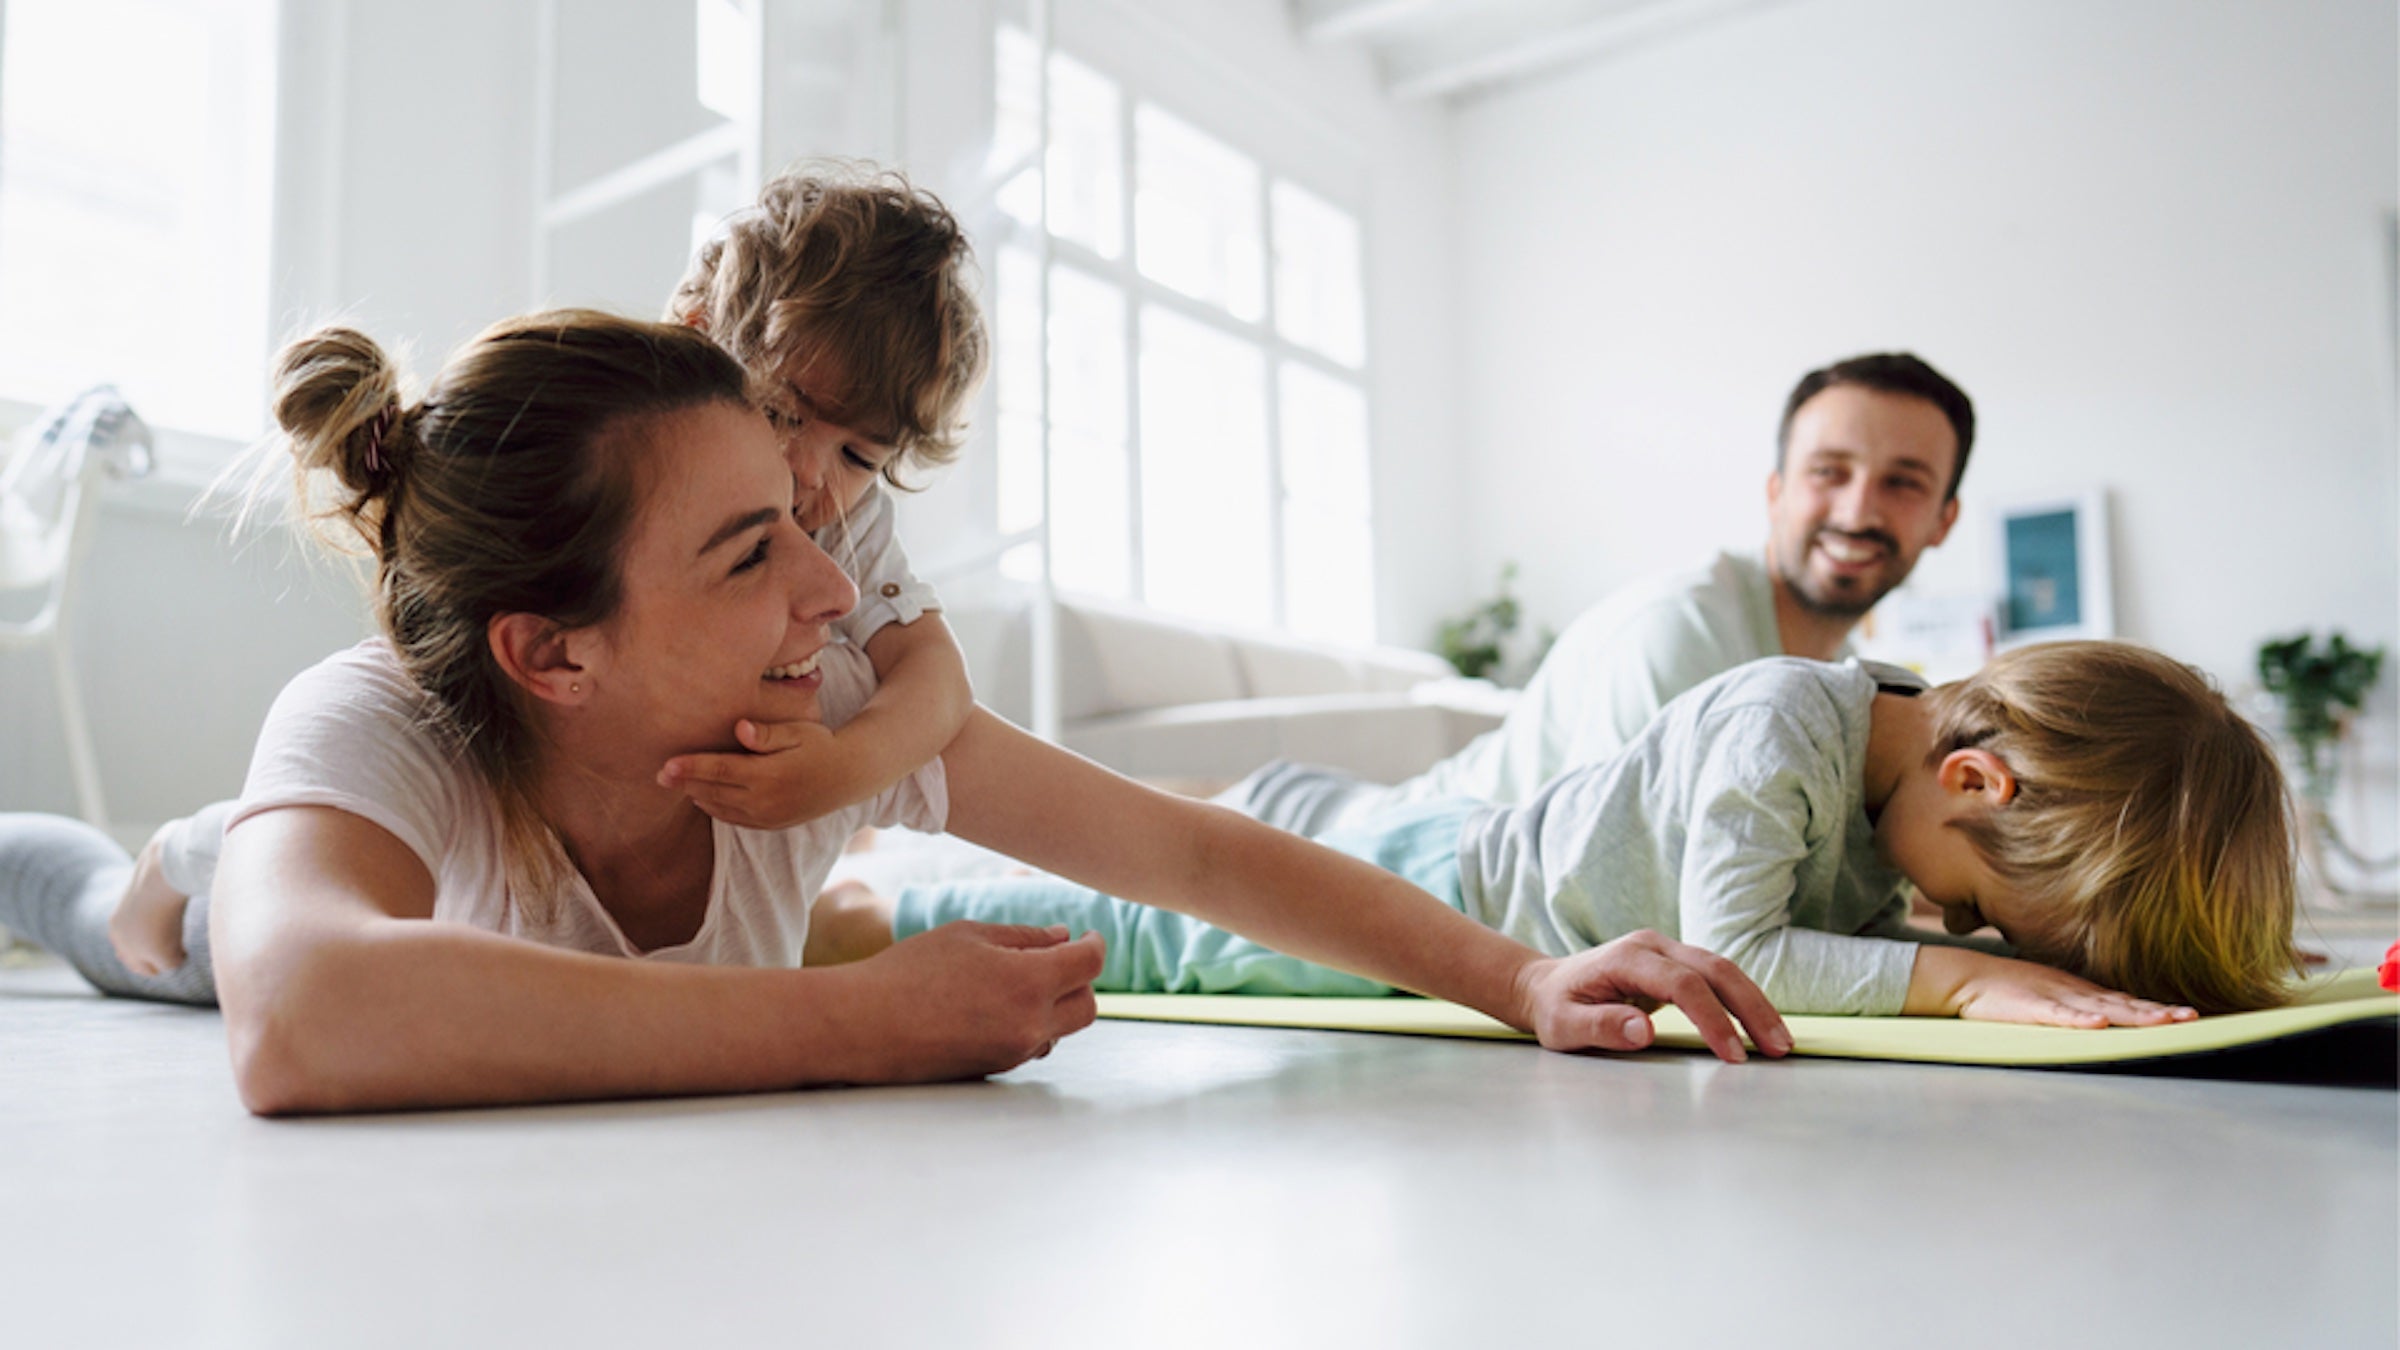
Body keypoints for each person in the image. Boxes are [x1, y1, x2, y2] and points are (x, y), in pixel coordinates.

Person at [0, 310, 1789, 1116]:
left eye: (806, 525)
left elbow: (1179, 843)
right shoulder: (378, 724)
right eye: (745, 557)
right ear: (552, 653)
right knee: (85, 902)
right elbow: (304, 1014)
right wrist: (851, 1023)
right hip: (205, 901)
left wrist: (1519, 975)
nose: (836, 594)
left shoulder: (826, 706)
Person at [89, 163, 988, 999]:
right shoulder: (623, 434)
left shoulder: (846, 520)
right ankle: (185, 851)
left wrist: (848, 770)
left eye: (861, 454)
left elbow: (935, 674)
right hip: (455, 754)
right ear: (701, 344)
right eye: (785, 412)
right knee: (289, 847)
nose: (808, 476)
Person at [890, 642, 2301, 1020]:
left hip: (1432, 833)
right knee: (1157, 937)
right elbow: (1737, 944)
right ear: (1980, 780)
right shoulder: (1785, 725)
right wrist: (1969, 975)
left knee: (1254, 838)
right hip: (1431, 894)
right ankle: (862, 905)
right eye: (1979, 907)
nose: (1952, 928)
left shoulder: (1902, 796)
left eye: (1971, 933)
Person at [1243, 352, 1975, 836]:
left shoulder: (1848, 683)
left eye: (1903, 483)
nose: (1857, 511)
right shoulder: (1681, 630)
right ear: (1776, 490)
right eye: (1829, 471)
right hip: (1321, 843)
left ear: (1944, 518)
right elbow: (1614, 891)